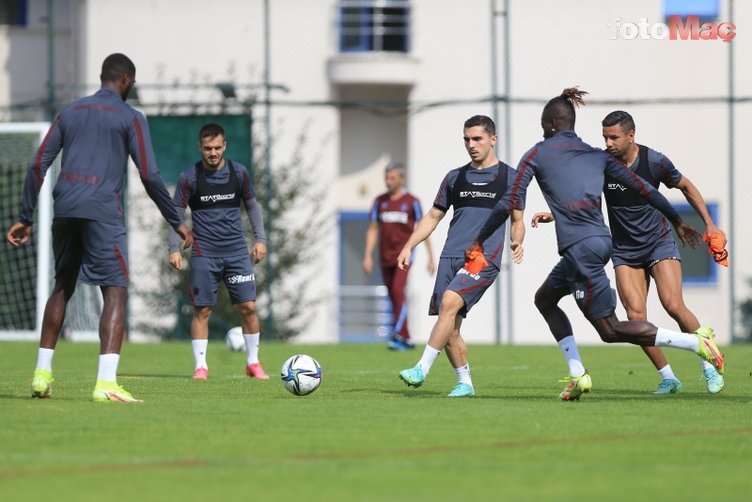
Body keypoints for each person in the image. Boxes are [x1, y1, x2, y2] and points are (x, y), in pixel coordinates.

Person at [468, 88, 724, 401]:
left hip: (592, 247)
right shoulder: (595, 155)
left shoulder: (538, 153)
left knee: (612, 328)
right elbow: (638, 192)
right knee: (547, 299)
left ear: (549, 124)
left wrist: (479, 239)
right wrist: (679, 219)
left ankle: (696, 344)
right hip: (609, 243)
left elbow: (509, 200)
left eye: (614, 137)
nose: (609, 143)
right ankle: (583, 374)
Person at [6, 53, 192, 403]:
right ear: (125, 80)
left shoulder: (69, 112)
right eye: (132, 84)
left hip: (65, 208)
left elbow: (38, 164)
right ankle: (106, 383)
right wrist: (175, 220)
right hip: (102, 212)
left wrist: (25, 216)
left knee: (63, 284)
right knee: (115, 291)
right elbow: (150, 175)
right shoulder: (131, 117)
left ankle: (41, 375)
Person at [532, 110, 726, 394]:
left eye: (614, 137)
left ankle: (708, 364)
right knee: (635, 318)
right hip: (624, 249)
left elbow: (685, 186)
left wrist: (709, 224)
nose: (608, 143)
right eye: (605, 137)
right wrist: (555, 215)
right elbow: (586, 200)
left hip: (658, 242)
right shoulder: (602, 163)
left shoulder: (654, 161)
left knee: (673, 304)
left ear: (631, 136)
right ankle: (668, 377)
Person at [397, 115, 525, 397]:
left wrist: (517, 240)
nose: (471, 144)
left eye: (477, 138)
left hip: (482, 257)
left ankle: (421, 368)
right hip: (450, 255)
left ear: (493, 139)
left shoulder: (510, 177)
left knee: (450, 301)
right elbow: (433, 216)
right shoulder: (455, 177)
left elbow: (517, 219)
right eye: (467, 139)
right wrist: (409, 245)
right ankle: (465, 383)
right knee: (450, 326)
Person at [168, 123, 269, 381]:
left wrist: (260, 239)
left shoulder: (239, 173)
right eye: (207, 148)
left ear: (225, 146)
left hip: (236, 253)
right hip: (204, 254)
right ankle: (201, 367)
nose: (212, 153)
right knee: (202, 311)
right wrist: (173, 248)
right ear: (200, 148)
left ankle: (253, 363)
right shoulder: (189, 177)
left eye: (217, 148)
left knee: (248, 307)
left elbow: (252, 206)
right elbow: (175, 215)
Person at [362, 162, 436, 351]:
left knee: (397, 290)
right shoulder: (380, 202)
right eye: (386, 178)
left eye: (392, 178)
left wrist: (430, 257)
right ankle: (407, 338)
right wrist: (367, 256)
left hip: (404, 255)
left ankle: (397, 335)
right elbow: (372, 229)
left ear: (402, 178)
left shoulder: (412, 202)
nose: (388, 181)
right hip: (384, 256)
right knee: (393, 296)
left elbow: (423, 228)